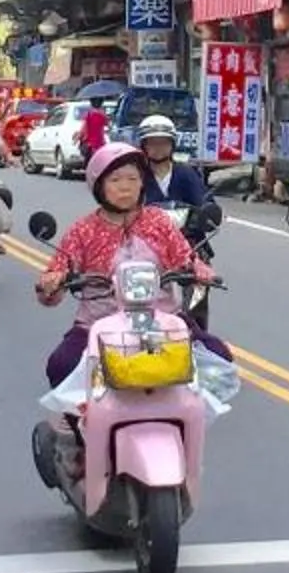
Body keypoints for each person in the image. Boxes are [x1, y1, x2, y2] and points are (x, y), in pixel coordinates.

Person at [33, 142, 224, 389]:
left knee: (218, 356)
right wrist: (52, 283)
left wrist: (200, 270)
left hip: (162, 320)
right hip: (99, 323)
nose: (125, 186)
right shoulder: (83, 230)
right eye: (115, 180)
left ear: (142, 183)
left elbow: (185, 258)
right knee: (61, 365)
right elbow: (55, 277)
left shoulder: (159, 222)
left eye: (132, 178)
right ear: (99, 186)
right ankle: (79, 425)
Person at [132, 113, 214, 218]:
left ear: (172, 144)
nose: (158, 147)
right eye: (152, 143)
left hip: (186, 233)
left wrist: (206, 213)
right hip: (144, 233)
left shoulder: (186, 173)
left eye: (164, 142)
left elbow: (202, 201)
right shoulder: (137, 176)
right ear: (143, 146)